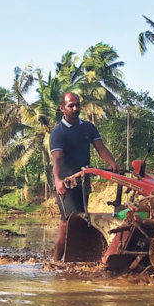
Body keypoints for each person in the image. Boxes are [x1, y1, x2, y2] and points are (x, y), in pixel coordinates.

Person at [49, 92, 119, 261]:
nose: (75, 108)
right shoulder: (58, 133)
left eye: (77, 105)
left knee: (80, 221)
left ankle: (74, 259)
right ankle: (56, 261)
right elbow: (57, 159)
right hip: (66, 183)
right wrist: (58, 180)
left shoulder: (88, 127)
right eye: (71, 105)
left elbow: (100, 148)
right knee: (68, 223)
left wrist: (113, 165)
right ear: (62, 108)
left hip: (83, 181)